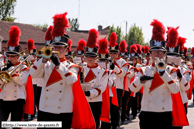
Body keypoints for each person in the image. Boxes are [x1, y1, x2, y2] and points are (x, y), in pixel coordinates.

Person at [30, 12, 80, 129]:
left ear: (66, 49)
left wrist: (58, 64)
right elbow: (32, 74)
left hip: (63, 110)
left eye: (60, 47)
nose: (57, 49)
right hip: (45, 109)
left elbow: (71, 80)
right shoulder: (46, 65)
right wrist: (42, 60)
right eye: (55, 46)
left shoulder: (71, 66)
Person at [129, 19, 179, 129]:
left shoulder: (171, 70)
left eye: (160, 52)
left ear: (164, 54)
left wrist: (163, 73)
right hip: (147, 113)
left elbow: (175, 90)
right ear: (150, 54)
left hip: (164, 113)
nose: (157, 55)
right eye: (154, 52)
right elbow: (132, 89)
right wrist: (140, 80)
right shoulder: (143, 70)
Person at [0, 26, 31, 129]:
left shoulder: (24, 67)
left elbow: (21, 81)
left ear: (18, 56)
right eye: (8, 55)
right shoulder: (4, 67)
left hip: (17, 100)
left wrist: (10, 70)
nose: (10, 58)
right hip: (3, 99)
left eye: (13, 56)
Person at [82, 29, 108, 129]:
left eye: (92, 56)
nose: (89, 58)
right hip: (83, 100)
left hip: (96, 101)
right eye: (87, 56)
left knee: (95, 123)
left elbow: (102, 87)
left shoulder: (102, 71)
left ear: (96, 57)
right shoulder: (80, 68)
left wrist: (90, 93)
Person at [108, 32, 129, 129]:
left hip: (118, 86)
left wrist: (115, 67)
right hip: (108, 86)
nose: (112, 55)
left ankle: (115, 123)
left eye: (114, 53)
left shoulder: (122, 62)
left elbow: (123, 74)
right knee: (108, 105)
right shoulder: (106, 60)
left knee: (116, 106)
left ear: (118, 53)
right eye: (111, 52)